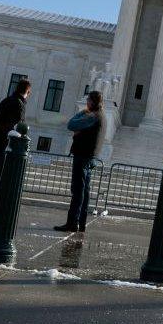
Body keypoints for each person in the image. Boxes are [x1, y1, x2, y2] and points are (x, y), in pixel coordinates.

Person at [54, 91, 107, 233]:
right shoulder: (102, 116)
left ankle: (72, 222)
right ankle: (81, 223)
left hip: (83, 156)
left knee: (78, 190)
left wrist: (82, 113)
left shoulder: (92, 116)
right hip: (91, 157)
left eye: (88, 100)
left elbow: (71, 124)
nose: (87, 103)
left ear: (92, 102)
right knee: (84, 191)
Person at [0, 80, 30, 228]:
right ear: (28, 92)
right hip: (3, 145)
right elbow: (17, 127)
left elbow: (0, 122)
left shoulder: (7, 100)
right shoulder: (19, 104)